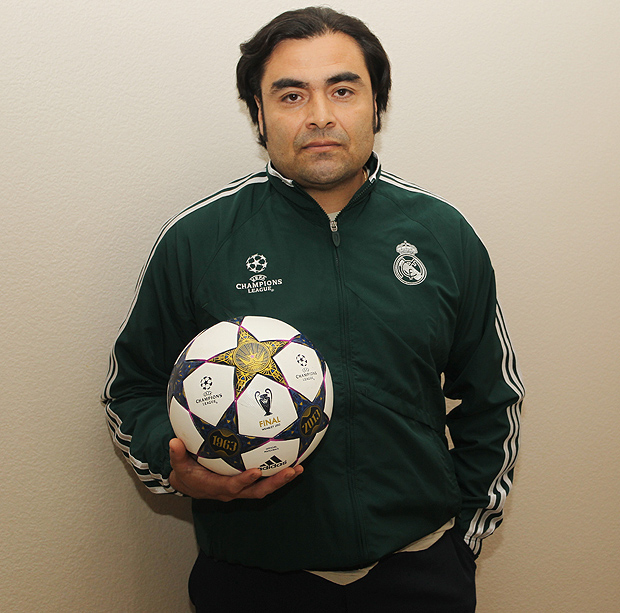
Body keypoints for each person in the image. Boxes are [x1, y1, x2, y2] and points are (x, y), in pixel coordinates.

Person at [103, 7, 524, 612]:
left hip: (422, 572)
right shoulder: (197, 240)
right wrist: (175, 470)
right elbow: (131, 389)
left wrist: (461, 544)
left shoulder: (442, 235)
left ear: (377, 105)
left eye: (343, 90)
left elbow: (494, 397)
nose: (320, 115)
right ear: (258, 113)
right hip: (250, 579)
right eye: (291, 94)